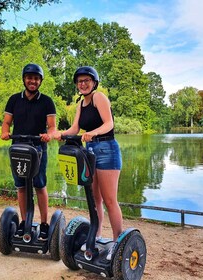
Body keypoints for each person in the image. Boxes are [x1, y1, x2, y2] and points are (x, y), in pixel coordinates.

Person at [54, 66, 123, 260]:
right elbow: (75, 127)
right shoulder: (80, 104)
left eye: (86, 80)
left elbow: (109, 123)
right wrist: (59, 134)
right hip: (89, 151)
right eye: (80, 81)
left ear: (94, 82)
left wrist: (93, 133)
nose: (83, 84)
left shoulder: (99, 97)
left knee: (110, 200)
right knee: (95, 200)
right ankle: (97, 235)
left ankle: (118, 242)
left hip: (107, 149)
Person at [1, 63, 57, 241]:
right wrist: (4, 132)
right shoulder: (14, 99)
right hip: (18, 147)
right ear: (24, 79)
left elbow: (52, 127)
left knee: (39, 185)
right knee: (21, 186)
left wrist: (48, 135)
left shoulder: (47, 101)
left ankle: (44, 224)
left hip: (37, 148)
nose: (33, 81)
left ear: (40, 81)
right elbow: (7, 122)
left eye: (36, 78)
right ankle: (24, 222)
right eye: (29, 78)